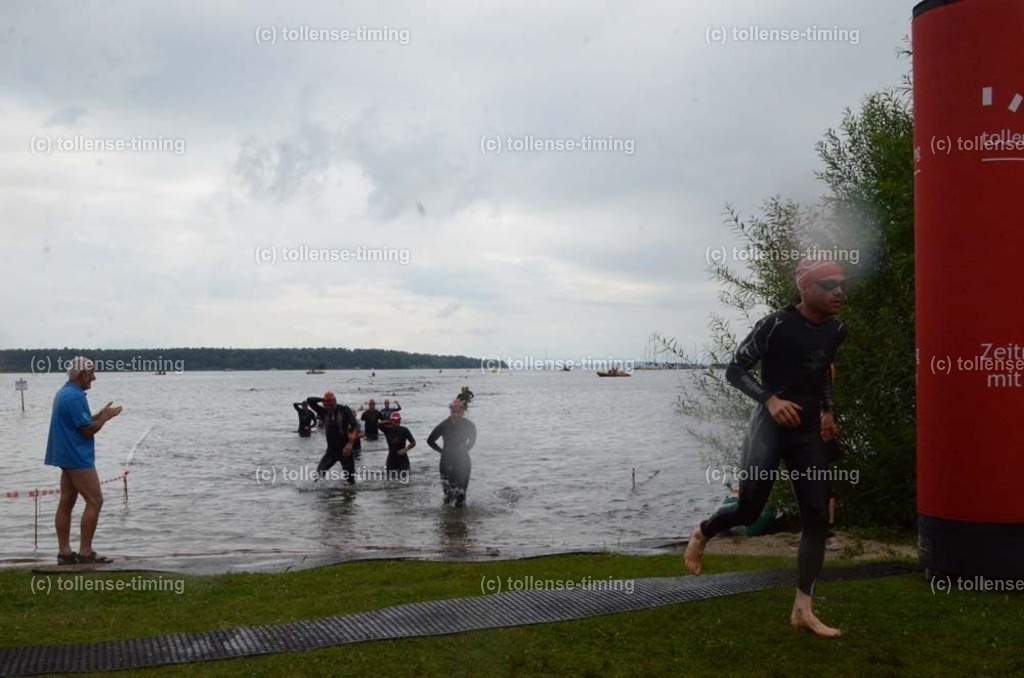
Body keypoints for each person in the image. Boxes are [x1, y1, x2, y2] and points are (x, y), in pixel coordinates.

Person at [683, 257, 848, 638]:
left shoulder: (837, 329)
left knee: (817, 518)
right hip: (769, 429)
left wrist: (828, 411)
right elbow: (734, 370)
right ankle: (703, 532)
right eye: (827, 284)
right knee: (748, 508)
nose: (838, 290)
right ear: (806, 289)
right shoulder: (775, 325)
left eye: (841, 282)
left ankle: (803, 609)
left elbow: (823, 368)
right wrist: (771, 400)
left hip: (807, 432)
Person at [44, 357, 123, 565]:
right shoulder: (75, 397)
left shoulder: (64, 392)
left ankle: (65, 553)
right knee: (95, 500)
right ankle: (85, 552)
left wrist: (100, 414)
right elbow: (87, 430)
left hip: (64, 455)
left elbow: (80, 421)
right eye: (92, 373)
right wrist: (104, 418)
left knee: (66, 503)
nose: (94, 377)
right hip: (77, 457)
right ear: (82, 375)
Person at [427, 400, 477, 507]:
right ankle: (447, 520)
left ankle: (460, 520)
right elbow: (430, 440)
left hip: (463, 462)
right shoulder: (444, 425)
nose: (456, 415)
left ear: (463, 411)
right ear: (450, 411)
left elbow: (472, 440)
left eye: (458, 412)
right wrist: (442, 451)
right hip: (446, 462)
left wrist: (464, 450)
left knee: (461, 494)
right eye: (453, 412)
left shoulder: (469, 425)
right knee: (448, 495)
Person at [306, 391, 361, 483]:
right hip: (331, 451)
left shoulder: (344, 410)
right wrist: (324, 399)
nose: (329, 408)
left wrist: (350, 444)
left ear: (335, 402)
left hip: (345, 451)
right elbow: (310, 400)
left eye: (331, 405)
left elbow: (356, 427)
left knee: (351, 481)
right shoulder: (323, 412)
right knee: (318, 476)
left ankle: (348, 496)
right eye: (327, 406)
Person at [380, 410, 416, 475]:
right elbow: (379, 424)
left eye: (398, 420)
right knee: (390, 479)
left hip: (403, 458)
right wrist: (389, 421)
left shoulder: (404, 430)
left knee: (405, 478)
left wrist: (405, 450)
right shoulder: (387, 430)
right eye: (394, 420)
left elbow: (413, 442)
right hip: (391, 458)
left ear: (400, 421)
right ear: (391, 421)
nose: (396, 422)